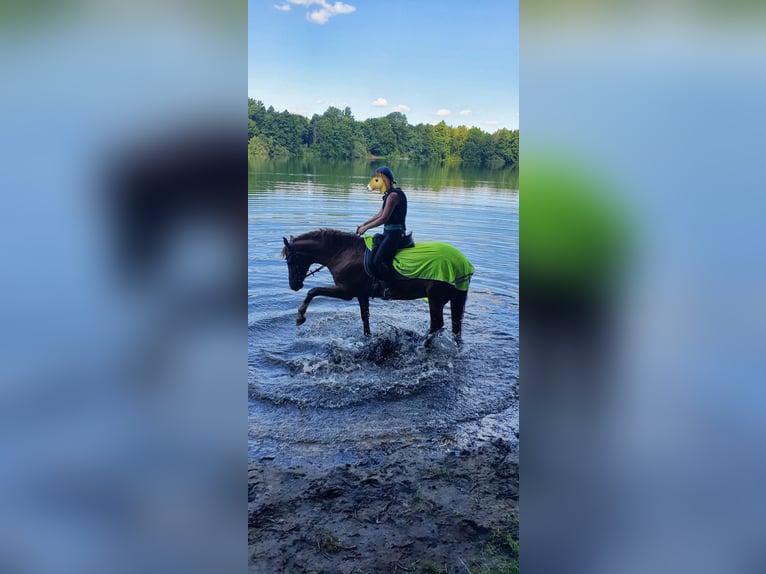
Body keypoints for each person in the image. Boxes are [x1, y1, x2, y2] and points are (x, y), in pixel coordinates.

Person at [356, 166, 410, 299]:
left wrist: (366, 228)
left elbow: (384, 218)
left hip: (395, 234)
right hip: (388, 233)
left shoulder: (394, 196)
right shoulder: (388, 195)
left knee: (377, 260)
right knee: (372, 250)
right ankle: (377, 283)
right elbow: (379, 214)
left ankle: (391, 288)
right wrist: (364, 224)